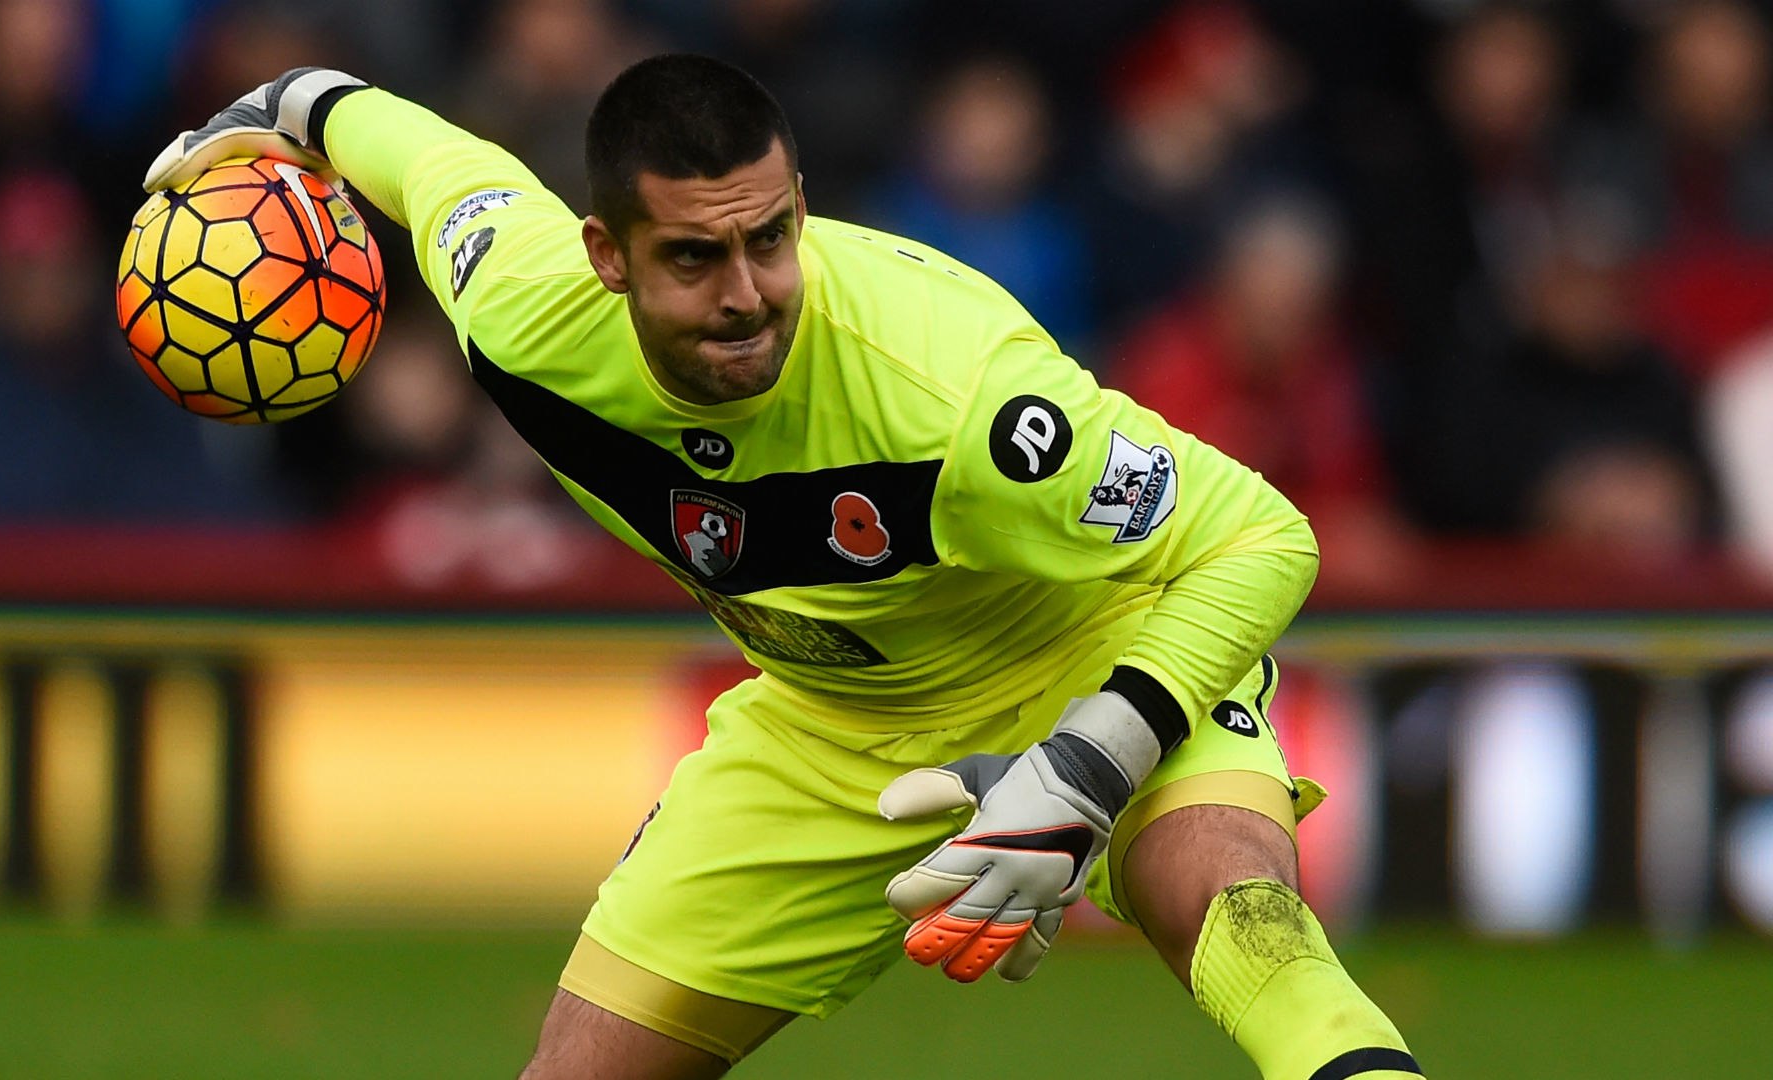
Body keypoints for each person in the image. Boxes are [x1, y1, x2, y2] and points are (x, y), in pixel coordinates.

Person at [143, 58, 1424, 1079]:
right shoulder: (519, 305)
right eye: (695, 258)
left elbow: (1264, 535)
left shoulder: (959, 397)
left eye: (771, 238)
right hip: (825, 724)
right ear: (605, 257)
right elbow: (387, 139)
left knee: (1234, 909)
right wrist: (267, 112)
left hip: (1096, 643)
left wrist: (1088, 764)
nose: (750, 293)